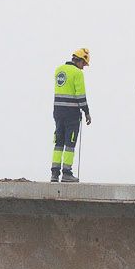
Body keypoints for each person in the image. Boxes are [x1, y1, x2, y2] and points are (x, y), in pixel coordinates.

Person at [50, 48, 92, 182]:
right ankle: (67, 173)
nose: (83, 67)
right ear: (80, 60)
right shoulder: (77, 73)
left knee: (58, 142)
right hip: (71, 113)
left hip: (58, 112)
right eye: (83, 64)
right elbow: (80, 95)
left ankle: (54, 173)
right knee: (70, 143)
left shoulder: (59, 70)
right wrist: (86, 112)